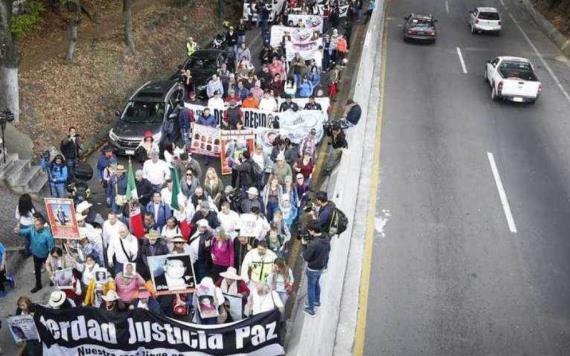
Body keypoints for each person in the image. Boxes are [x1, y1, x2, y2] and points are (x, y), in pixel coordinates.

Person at [16, 213, 54, 293]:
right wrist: (18, 231)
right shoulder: (32, 228)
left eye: (38, 225)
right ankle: (38, 285)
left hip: (46, 255)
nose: (35, 226)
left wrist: (50, 257)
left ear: (42, 225)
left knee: (50, 268)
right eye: (35, 224)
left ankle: (53, 280)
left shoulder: (47, 235)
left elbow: (51, 247)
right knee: (37, 271)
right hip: (36, 254)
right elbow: (24, 231)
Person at [302, 220, 331, 316]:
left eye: (310, 230)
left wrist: (304, 245)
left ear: (313, 231)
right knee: (316, 283)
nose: (309, 232)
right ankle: (317, 301)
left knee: (311, 287)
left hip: (312, 268)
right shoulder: (326, 237)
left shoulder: (314, 244)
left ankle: (311, 309)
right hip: (321, 266)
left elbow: (306, 257)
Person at [15, 193, 35, 258]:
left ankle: (27, 251)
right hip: (30, 226)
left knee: (27, 239)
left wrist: (18, 225)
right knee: (29, 240)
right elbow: (35, 218)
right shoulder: (31, 210)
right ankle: (28, 252)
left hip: (22, 225)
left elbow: (17, 217)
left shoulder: (19, 206)